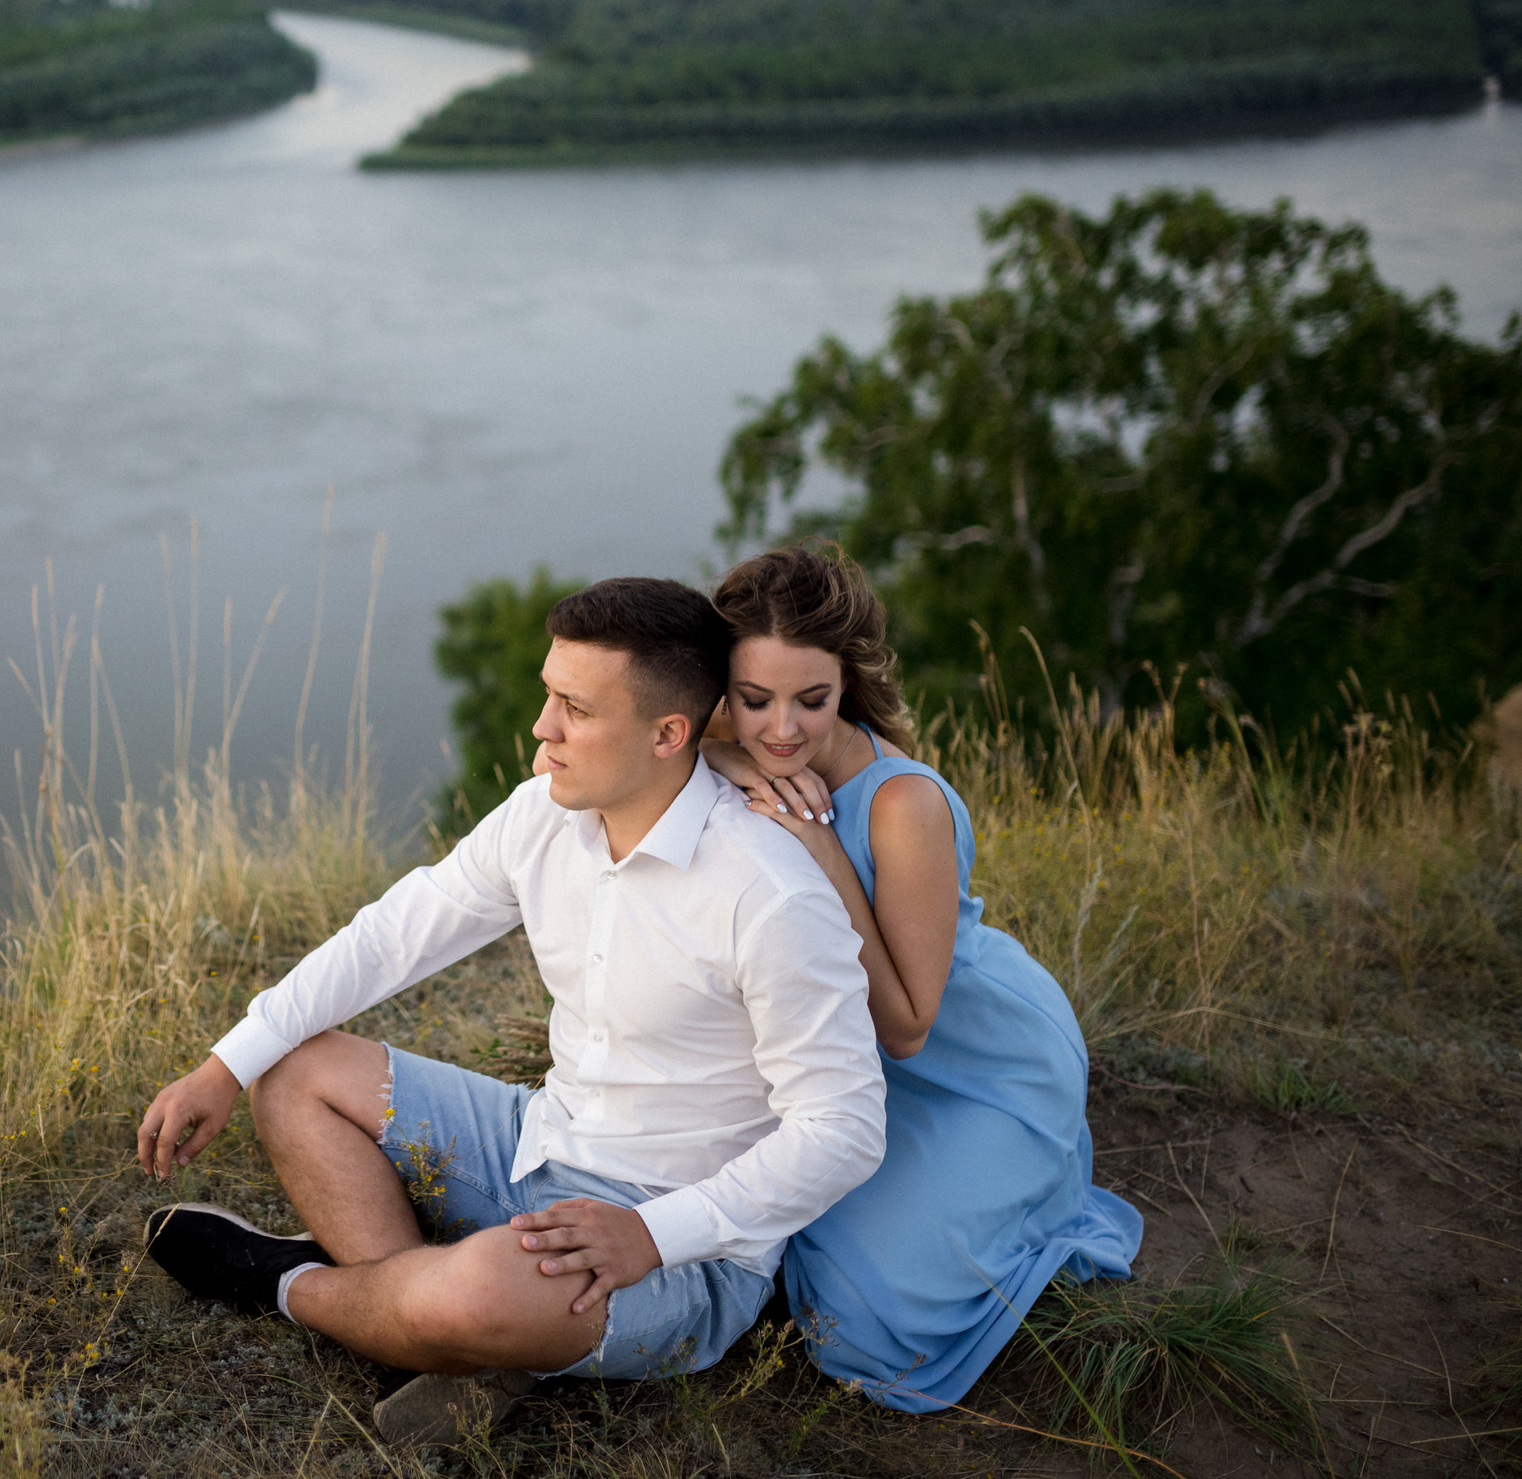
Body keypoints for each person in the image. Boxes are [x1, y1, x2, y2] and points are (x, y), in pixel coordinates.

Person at [134, 578, 888, 1444]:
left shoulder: (770, 894)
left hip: (687, 1254)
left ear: (669, 732)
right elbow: (390, 938)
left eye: (575, 707)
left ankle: (289, 1279)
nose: (543, 728)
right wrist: (225, 1062)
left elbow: (845, 1126)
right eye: (548, 694)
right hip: (537, 1146)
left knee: (471, 1291)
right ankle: (434, 1323)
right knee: (292, 1067)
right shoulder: (544, 815)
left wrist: (648, 1234)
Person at [702, 543, 1141, 1412]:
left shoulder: (903, 805)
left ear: (847, 683)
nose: (781, 728)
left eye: (812, 700)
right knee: (767, 1239)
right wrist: (729, 758)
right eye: (755, 700)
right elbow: (600, 750)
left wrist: (824, 852)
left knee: (862, 1326)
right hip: (853, 1071)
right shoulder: (738, 740)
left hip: (975, 1061)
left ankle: (1042, 1195)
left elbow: (907, 1023)